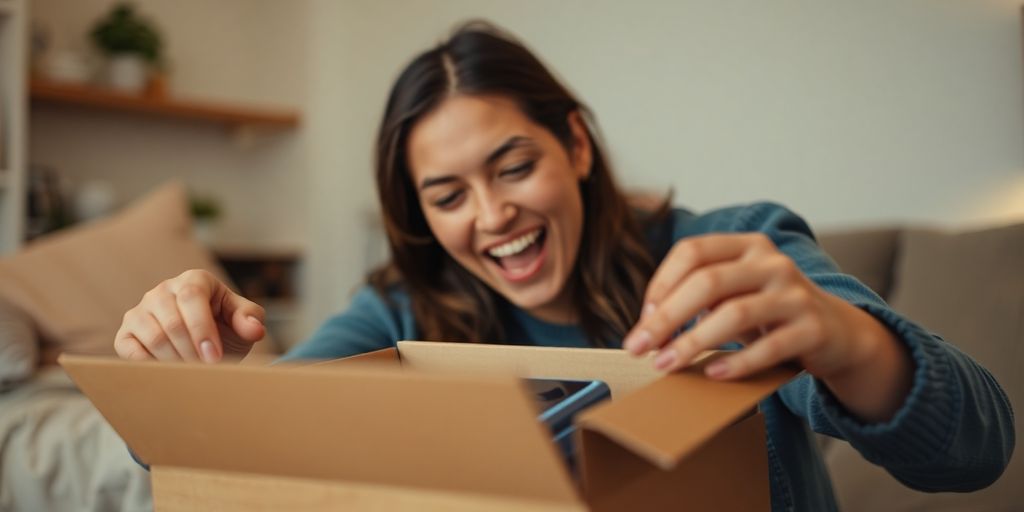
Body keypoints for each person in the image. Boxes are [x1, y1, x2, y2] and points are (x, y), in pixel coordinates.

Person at [113, 21, 1014, 512]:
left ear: (576, 144)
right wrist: (195, 372)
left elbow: (978, 453)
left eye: (514, 167)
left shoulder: (735, 250)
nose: (493, 215)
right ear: (419, 214)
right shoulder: (402, 309)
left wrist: (848, 341)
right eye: (448, 195)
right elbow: (260, 450)